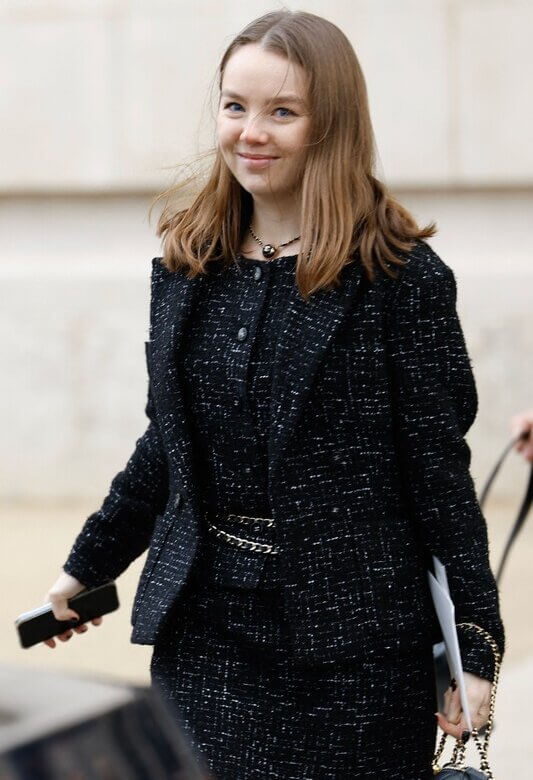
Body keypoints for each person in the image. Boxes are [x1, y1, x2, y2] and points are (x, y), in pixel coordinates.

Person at [43, 10, 505, 778]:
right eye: (234, 106)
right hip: (207, 631)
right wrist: (87, 567)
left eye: (281, 112)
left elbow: (437, 476)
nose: (250, 131)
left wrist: (478, 646)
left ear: (331, 126)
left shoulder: (400, 279)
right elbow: (167, 443)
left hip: (356, 648)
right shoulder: (190, 261)